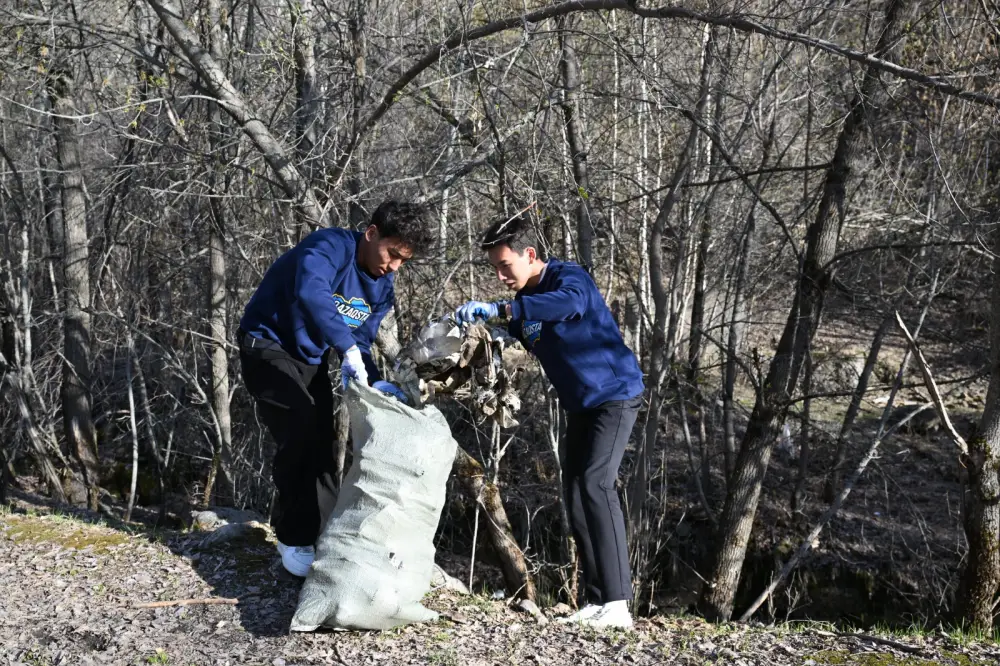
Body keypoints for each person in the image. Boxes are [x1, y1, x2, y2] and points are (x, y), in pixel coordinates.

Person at [454, 213, 644, 629]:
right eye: (495, 269)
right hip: (580, 405)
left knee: (597, 484)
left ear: (531, 255)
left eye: (506, 265)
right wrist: (491, 339)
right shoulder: (522, 305)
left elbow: (567, 305)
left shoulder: (568, 280)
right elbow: (525, 338)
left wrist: (502, 308)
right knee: (576, 495)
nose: (501, 275)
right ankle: (596, 602)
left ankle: (618, 605)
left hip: (614, 396)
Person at [237, 200, 429, 577]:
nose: (393, 266)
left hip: (309, 359)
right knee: (300, 429)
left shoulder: (382, 285)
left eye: (403, 261)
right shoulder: (329, 247)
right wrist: (346, 348)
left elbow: (361, 337)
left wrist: (374, 381)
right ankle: (294, 538)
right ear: (371, 233)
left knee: (325, 442)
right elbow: (312, 292)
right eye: (391, 254)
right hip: (266, 345)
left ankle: (322, 539)